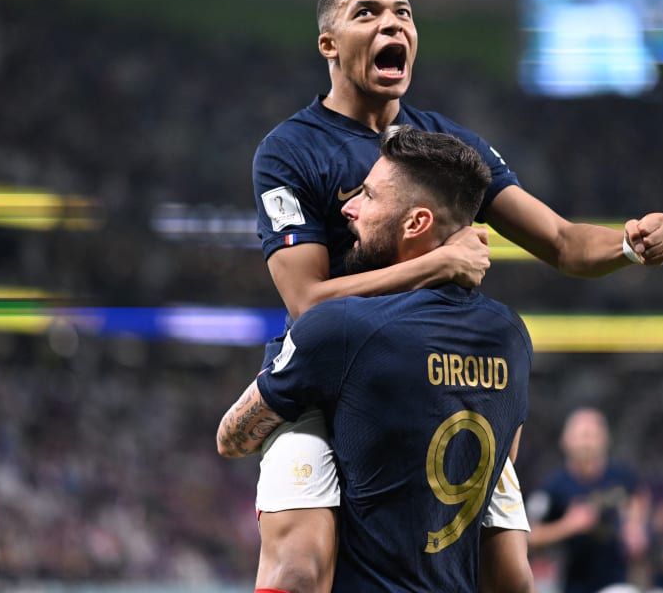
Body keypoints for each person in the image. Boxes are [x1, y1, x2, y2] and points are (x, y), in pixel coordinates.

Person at [248, 0, 663, 592]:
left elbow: (560, 241)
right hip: (328, 379)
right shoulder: (289, 151)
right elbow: (307, 302)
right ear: (328, 44)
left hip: (445, 381)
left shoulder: (447, 146)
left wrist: (628, 245)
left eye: (404, 13)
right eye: (366, 13)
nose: (392, 22)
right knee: (300, 570)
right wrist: (436, 263)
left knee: (512, 581)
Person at [220, 125, 533, 591]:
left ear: (415, 223)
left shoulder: (341, 328)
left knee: (295, 569)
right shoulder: (511, 334)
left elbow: (232, 438)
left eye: (367, 194)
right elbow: (504, 455)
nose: (348, 207)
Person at [526, 408, 650, 593]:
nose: (587, 442)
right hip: (571, 583)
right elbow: (528, 537)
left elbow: (638, 495)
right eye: (582, 435)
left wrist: (635, 523)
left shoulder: (621, 476)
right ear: (565, 440)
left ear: (606, 439)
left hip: (618, 580)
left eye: (593, 435)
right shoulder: (552, 487)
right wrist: (568, 525)